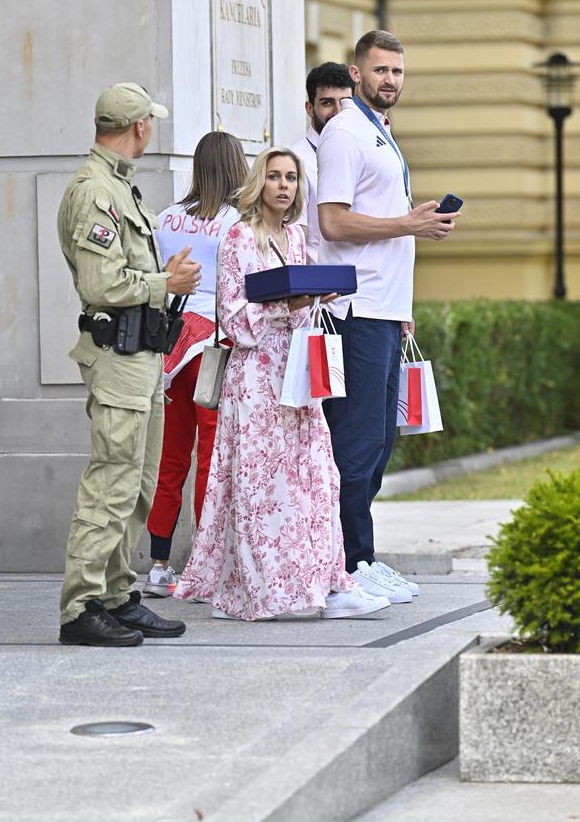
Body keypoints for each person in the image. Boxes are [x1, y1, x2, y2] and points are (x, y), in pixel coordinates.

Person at [173, 145, 389, 621]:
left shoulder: (296, 236)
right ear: (259, 182)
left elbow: (300, 310)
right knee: (262, 484)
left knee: (314, 478)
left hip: (297, 372)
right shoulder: (237, 237)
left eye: (291, 177)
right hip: (254, 379)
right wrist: (283, 308)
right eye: (275, 176)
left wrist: (315, 298)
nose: (284, 185)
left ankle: (323, 581)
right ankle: (261, 586)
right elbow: (231, 317)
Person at [317, 31, 459, 603]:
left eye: (398, 71)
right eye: (380, 71)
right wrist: (408, 224)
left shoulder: (381, 135)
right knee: (356, 443)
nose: (390, 80)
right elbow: (333, 222)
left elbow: (380, 224)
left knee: (378, 442)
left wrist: (404, 305)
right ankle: (349, 566)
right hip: (354, 311)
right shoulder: (346, 133)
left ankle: (360, 560)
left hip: (384, 310)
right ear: (356, 74)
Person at [57, 82, 200, 647]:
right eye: (151, 123)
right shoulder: (96, 191)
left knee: (138, 484)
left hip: (140, 356)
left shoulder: (119, 187)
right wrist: (166, 282)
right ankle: (81, 606)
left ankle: (116, 595)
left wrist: (166, 279)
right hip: (117, 355)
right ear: (139, 127)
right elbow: (101, 282)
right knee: (110, 484)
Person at [142, 132, 248, 597]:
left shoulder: (167, 216)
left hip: (170, 346)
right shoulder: (238, 222)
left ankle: (160, 563)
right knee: (212, 457)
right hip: (215, 347)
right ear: (236, 166)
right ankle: (207, 565)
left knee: (170, 459)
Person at [290, 62, 354, 263]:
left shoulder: (363, 151)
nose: (337, 112)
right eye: (327, 103)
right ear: (310, 108)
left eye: (344, 102)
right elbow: (294, 238)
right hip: (323, 284)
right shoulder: (295, 161)